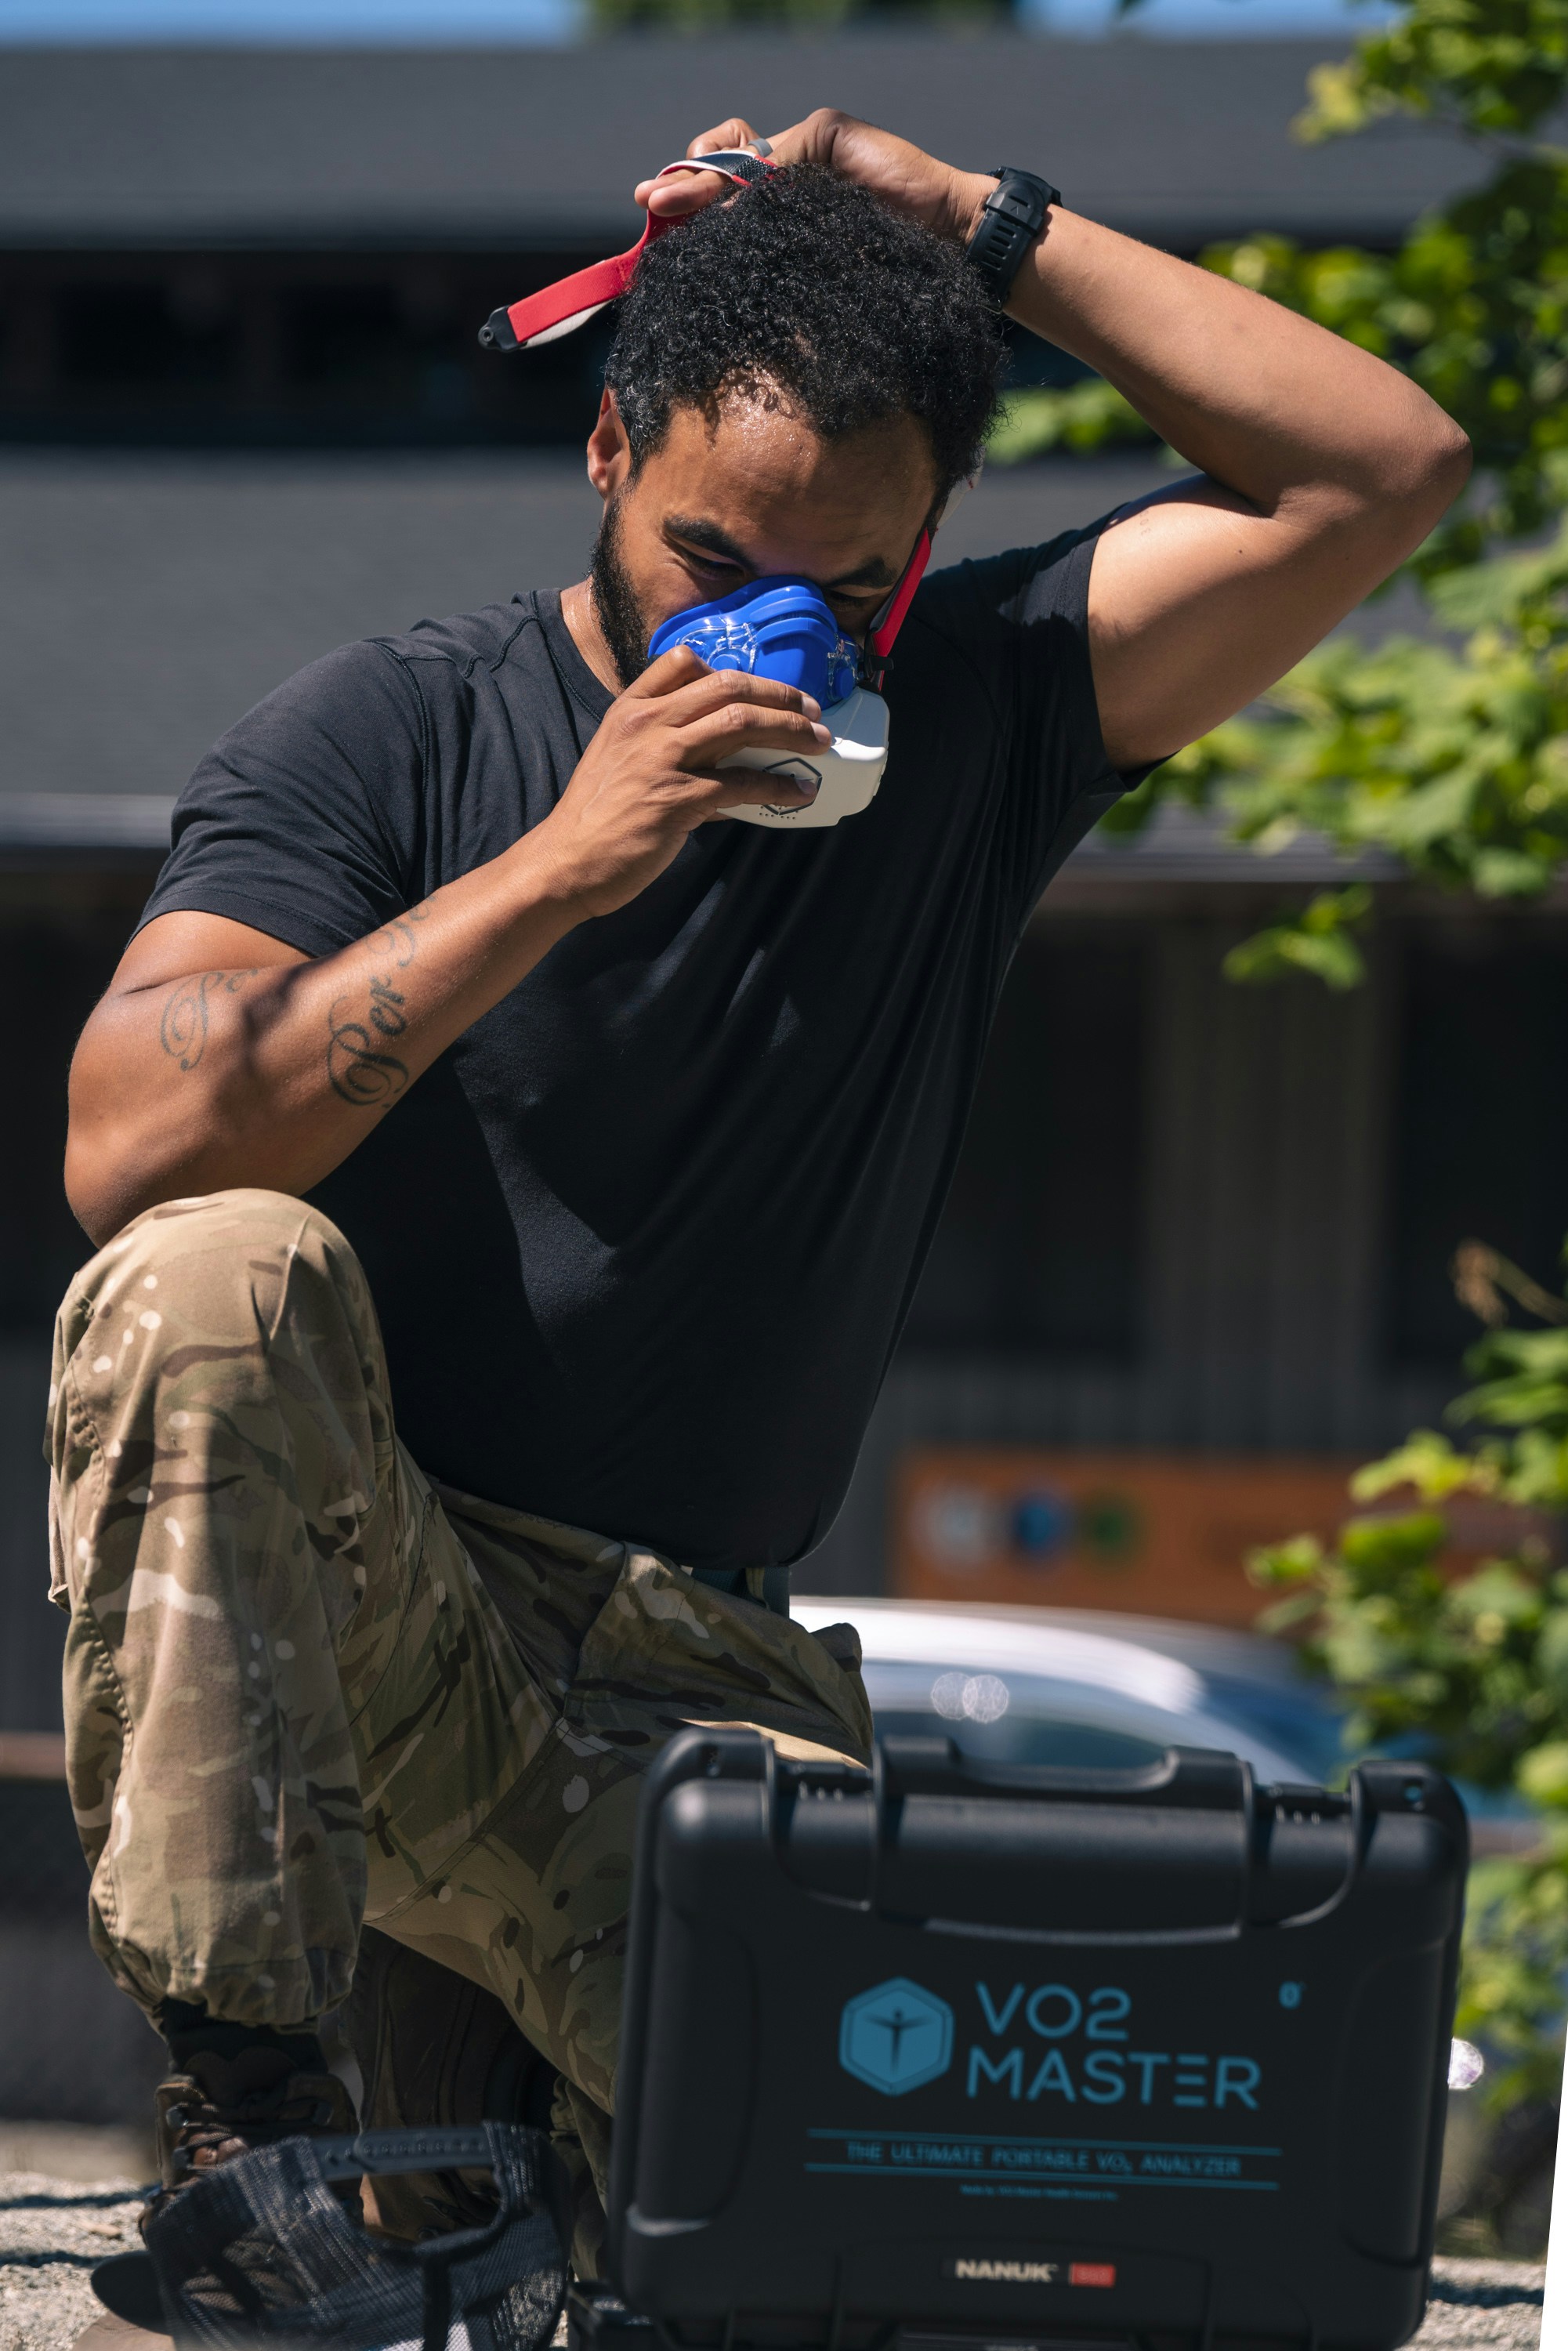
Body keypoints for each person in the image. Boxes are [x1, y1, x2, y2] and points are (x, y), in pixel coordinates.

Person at [51, 111, 1468, 2271]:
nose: (780, 630)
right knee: (214, 1269)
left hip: (694, 1694)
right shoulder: (383, 738)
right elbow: (129, 1154)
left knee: (873, 2237)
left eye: (850, 582)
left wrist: (963, 219)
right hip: (377, 1612)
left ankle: (479, 2142)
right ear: (607, 450)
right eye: (721, 565)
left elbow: (1381, 473)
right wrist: (554, 870)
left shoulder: (984, 707)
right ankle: (253, 2141)